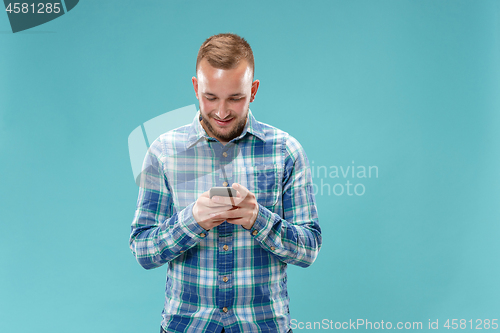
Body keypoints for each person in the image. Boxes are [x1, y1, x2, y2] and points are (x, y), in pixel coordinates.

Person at [130, 33, 322, 333]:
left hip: (263, 326)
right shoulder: (163, 152)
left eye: (235, 98)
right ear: (196, 88)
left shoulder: (286, 151)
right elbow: (143, 250)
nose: (221, 112)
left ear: (253, 91)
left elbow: (309, 249)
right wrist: (192, 220)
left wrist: (259, 219)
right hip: (187, 326)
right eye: (210, 97)